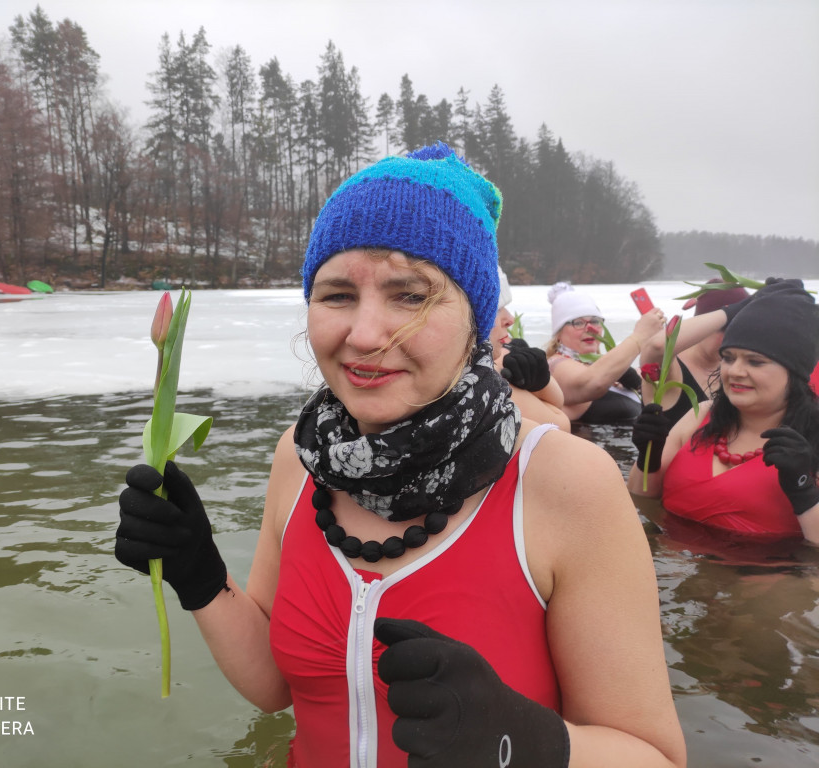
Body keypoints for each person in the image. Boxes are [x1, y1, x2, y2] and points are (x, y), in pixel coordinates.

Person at [115, 143, 686, 768]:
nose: (363, 334)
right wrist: (200, 576)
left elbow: (654, 755)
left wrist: (525, 742)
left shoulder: (563, 481)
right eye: (336, 295)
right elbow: (276, 689)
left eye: (410, 295)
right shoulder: (301, 458)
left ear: (477, 316)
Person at [628, 279, 819, 543]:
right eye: (728, 357)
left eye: (755, 361)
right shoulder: (701, 415)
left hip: (764, 577)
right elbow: (640, 499)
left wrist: (803, 490)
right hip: (677, 573)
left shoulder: (812, 438)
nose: (735, 371)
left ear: (795, 372)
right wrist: (648, 457)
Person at [545, 282, 665, 424]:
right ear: (558, 333)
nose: (591, 328)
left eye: (595, 321)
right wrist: (640, 337)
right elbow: (590, 384)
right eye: (578, 323)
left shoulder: (605, 368)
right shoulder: (555, 365)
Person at [639, 279, 750, 426]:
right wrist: (729, 312)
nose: (733, 341)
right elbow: (657, 346)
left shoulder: (737, 373)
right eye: (727, 329)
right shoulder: (670, 368)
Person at [492, 267, 571, 431]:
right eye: (495, 308)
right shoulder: (486, 372)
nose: (510, 319)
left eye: (596, 321)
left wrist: (541, 383)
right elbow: (560, 424)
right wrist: (636, 340)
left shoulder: (499, 358)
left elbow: (559, 405)